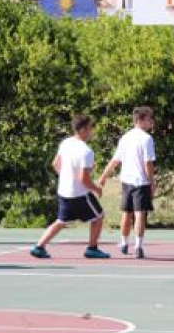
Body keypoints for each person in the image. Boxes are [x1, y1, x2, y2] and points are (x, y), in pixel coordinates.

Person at [30, 114, 111, 260]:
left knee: (61, 221)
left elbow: (55, 164)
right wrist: (96, 189)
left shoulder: (66, 143)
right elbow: (83, 179)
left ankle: (39, 246)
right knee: (99, 217)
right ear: (82, 130)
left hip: (64, 192)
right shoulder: (86, 151)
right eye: (90, 128)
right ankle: (92, 249)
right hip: (79, 194)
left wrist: (67, 177)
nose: (92, 131)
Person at [98, 106, 156, 259]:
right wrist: (151, 182)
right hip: (141, 182)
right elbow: (147, 163)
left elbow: (115, 159)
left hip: (127, 181)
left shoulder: (125, 137)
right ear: (140, 120)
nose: (152, 122)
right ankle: (138, 246)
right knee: (139, 214)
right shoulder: (146, 139)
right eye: (149, 119)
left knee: (126, 213)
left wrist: (103, 175)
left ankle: (124, 243)